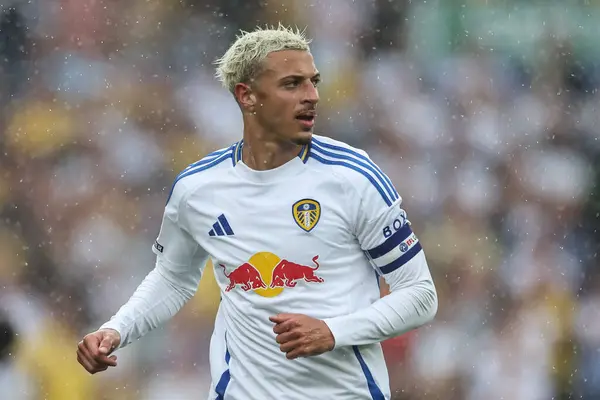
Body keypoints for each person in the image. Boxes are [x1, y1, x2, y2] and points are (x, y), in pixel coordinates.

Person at [76, 24, 438, 400]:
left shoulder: (353, 177)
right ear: (247, 96)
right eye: (292, 84)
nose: (311, 96)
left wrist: (333, 331)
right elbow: (173, 278)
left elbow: (420, 294)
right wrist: (117, 329)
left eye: (314, 82)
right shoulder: (197, 189)